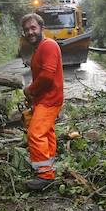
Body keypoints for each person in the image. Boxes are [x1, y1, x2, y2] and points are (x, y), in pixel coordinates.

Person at [21, 13, 63, 191]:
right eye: (26, 30)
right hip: (44, 99)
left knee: (35, 133)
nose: (30, 32)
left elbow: (47, 76)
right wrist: (33, 97)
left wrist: (30, 89)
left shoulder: (48, 45)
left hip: (50, 99)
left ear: (41, 28)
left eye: (33, 28)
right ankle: (48, 167)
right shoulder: (40, 48)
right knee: (46, 133)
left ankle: (45, 176)